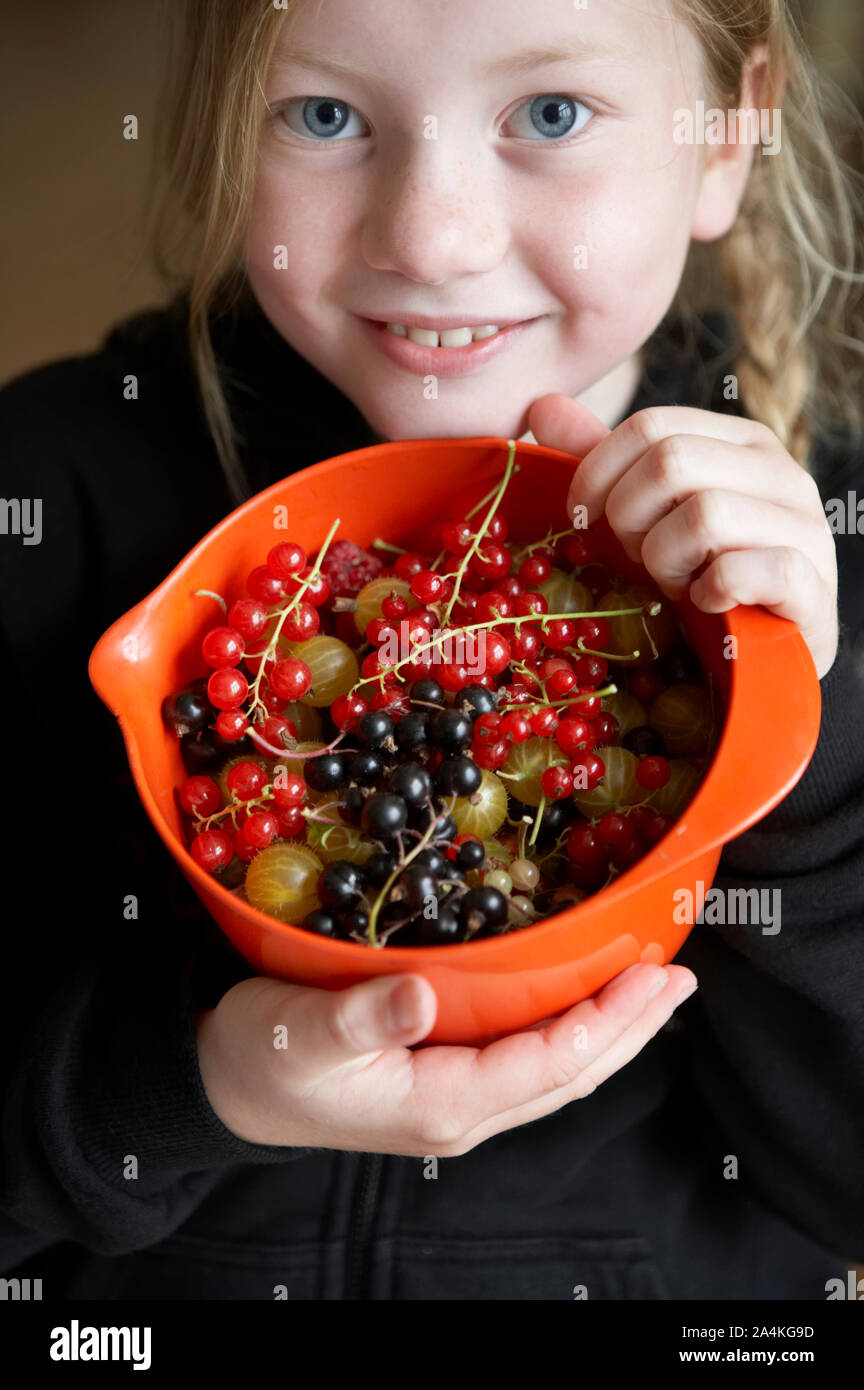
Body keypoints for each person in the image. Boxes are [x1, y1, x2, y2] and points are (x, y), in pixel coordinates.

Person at [1, 0, 862, 1301]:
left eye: (550, 115)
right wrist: (190, 1085)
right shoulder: (52, 493)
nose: (434, 238)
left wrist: (816, 747)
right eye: (327, 114)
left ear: (729, 134)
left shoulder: (836, 544)